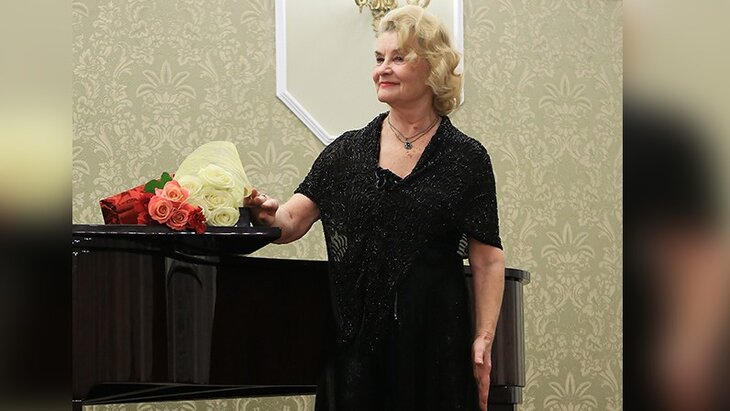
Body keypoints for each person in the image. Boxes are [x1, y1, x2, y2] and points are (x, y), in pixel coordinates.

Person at [246, 6, 505, 410]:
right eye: (379, 58)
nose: (382, 69)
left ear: (433, 67)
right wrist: (267, 214)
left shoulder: (467, 158)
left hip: (435, 351)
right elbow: (291, 219)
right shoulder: (345, 152)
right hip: (355, 354)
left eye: (398, 58)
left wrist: (484, 338)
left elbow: (487, 259)